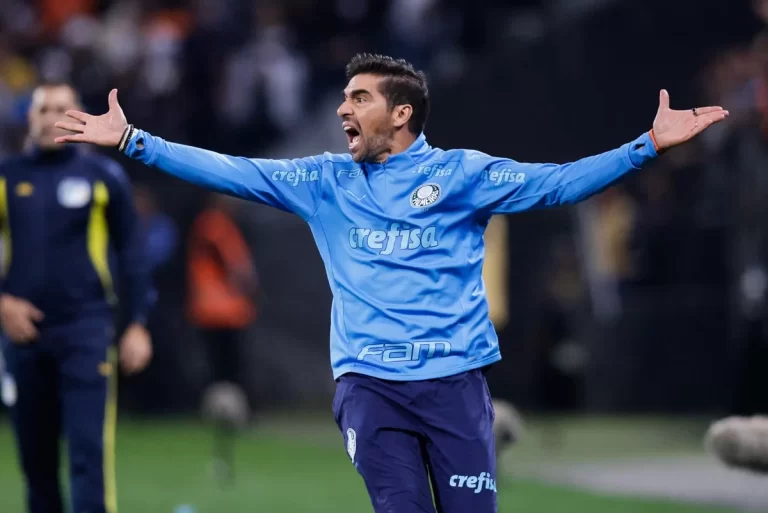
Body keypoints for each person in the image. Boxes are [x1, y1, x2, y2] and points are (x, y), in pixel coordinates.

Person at [55, 53, 728, 513]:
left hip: (456, 385)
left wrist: (646, 145)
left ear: (400, 115)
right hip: (369, 387)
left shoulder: (463, 174)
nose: (343, 109)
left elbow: (556, 184)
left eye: (359, 98)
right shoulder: (325, 181)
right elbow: (232, 169)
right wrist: (136, 141)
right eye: (345, 98)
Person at [0, 82, 153, 513]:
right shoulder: (7, 176)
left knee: (88, 457)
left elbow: (133, 254)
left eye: (61, 108)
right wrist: (3, 304)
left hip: (87, 332)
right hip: (23, 339)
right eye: (42, 108)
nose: (51, 117)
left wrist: (138, 323)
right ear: (28, 118)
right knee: (36, 464)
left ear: (79, 114)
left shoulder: (104, 176)